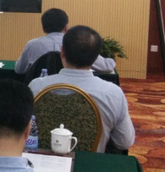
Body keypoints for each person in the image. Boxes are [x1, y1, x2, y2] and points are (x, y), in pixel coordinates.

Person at [28, 25, 135, 153]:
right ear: (96, 58)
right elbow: (124, 142)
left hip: (42, 162)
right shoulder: (112, 93)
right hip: (91, 163)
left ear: (62, 52)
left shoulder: (36, 87)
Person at [15, 8, 116, 74]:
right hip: (74, 92)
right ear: (66, 27)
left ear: (43, 27)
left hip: (39, 94)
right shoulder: (76, 43)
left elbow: (19, 70)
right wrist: (111, 60)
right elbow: (106, 67)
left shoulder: (32, 45)